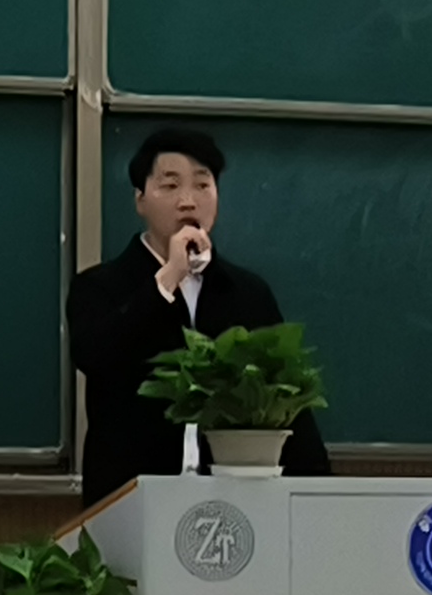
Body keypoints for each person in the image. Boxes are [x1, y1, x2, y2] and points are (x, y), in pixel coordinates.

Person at [67, 123, 332, 497]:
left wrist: (317, 492)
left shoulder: (247, 293)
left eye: (202, 185)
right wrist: (168, 279)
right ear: (140, 199)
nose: (188, 201)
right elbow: (96, 356)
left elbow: (286, 399)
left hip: (235, 499)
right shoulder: (99, 286)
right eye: (170, 186)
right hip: (131, 498)